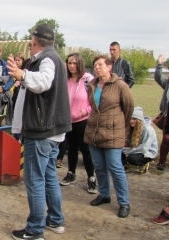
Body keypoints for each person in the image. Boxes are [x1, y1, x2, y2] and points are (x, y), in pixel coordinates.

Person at [8, 24, 71, 240]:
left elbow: (43, 83)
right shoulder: (55, 58)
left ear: (35, 41)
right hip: (52, 131)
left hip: (42, 131)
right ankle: (55, 219)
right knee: (49, 176)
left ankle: (35, 230)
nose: (29, 45)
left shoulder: (47, 60)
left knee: (34, 179)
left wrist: (22, 73)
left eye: (30, 41)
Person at [84, 55, 134, 218]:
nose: (97, 68)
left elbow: (128, 109)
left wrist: (119, 127)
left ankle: (124, 202)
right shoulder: (92, 85)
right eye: (95, 65)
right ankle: (104, 195)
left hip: (112, 133)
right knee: (99, 166)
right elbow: (92, 107)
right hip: (94, 132)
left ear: (109, 67)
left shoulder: (120, 85)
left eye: (100, 65)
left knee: (115, 168)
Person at [59, 53, 97, 194]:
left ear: (80, 63)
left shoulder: (89, 80)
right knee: (72, 148)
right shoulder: (66, 80)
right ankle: (71, 173)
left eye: (74, 63)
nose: (72, 66)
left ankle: (91, 178)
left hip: (83, 121)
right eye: (69, 63)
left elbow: (93, 103)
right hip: (68, 121)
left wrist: (81, 113)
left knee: (86, 150)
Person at [122, 106, 158, 174]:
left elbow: (144, 148)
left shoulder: (148, 130)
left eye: (134, 119)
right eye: (130, 118)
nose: (131, 121)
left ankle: (144, 164)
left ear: (139, 120)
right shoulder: (132, 126)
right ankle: (124, 164)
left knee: (132, 159)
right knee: (118, 148)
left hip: (148, 151)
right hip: (137, 148)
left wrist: (129, 151)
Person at [154, 54, 169, 171]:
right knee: (166, 140)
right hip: (167, 116)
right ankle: (162, 161)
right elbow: (158, 77)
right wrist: (159, 65)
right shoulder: (167, 83)